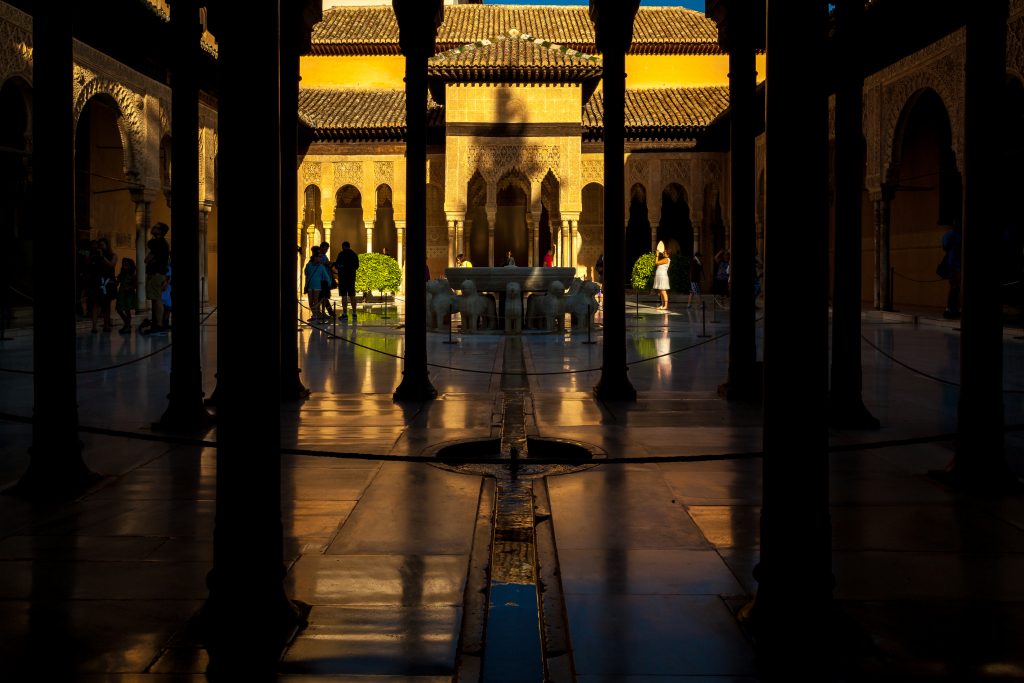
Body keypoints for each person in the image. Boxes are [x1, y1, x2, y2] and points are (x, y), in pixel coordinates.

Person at [144, 222, 171, 334]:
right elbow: (147, 259)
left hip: (157, 274)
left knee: (157, 299)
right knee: (155, 299)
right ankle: (157, 324)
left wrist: (151, 259)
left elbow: (148, 257)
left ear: (160, 231)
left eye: (156, 227)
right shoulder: (160, 244)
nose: (153, 228)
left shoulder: (158, 243)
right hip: (156, 274)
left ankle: (159, 325)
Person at [89, 237, 117, 332]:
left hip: (107, 282)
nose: (100, 247)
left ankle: (106, 325)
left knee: (106, 305)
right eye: (99, 245)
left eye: (102, 245)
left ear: (107, 245)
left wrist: (102, 257)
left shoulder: (112, 255)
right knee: (95, 303)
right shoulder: (94, 256)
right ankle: (94, 327)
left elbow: (111, 265)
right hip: (96, 281)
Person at [940, 221, 962, 318]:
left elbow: (944, 247)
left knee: (955, 287)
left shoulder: (949, 234)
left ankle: (952, 308)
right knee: (954, 287)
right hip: (954, 264)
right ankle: (950, 308)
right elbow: (946, 247)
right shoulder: (954, 234)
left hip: (954, 264)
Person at [335, 240, 360, 321]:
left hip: (343, 279)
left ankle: (345, 313)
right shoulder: (354, 254)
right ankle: (354, 313)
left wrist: (341, 267)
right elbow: (357, 266)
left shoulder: (341, 254)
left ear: (343, 246)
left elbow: (337, 265)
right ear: (349, 246)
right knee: (352, 296)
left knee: (344, 296)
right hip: (351, 278)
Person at [304, 246, 328, 322]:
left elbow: (325, 275)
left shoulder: (320, 266)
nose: (320, 258)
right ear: (315, 257)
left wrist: (328, 283)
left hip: (317, 285)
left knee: (316, 300)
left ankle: (315, 315)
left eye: (320, 257)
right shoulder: (309, 265)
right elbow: (306, 274)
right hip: (310, 285)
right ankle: (315, 314)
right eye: (319, 257)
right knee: (311, 301)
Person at [115, 257, 138, 334]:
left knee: (127, 310)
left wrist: (129, 287)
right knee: (119, 309)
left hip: (128, 295)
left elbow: (135, 285)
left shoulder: (133, 275)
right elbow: (117, 282)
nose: (125, 266)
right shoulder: (122, 274)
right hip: (121, 294)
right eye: (124, 264)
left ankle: (127, 326)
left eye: (127, 264)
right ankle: (127, 323)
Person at [319, 241, 336, 319]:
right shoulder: (320, 256)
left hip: (326, 280)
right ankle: (326, 312)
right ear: (321, 248)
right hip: (323, 280)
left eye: (327, 249)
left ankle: (328, 312)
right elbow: (323, 265)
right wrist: (329, 263)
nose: (326, 250)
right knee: (323, 297)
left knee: (324, 297)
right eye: (325, 248)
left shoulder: (324, 256)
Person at [653, 241, 671, 310]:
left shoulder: (666, 259)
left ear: (668, 254)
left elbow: (656, 262)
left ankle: (665, 306)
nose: (663, 253)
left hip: (663, 276)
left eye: (664, 253)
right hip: (660, 276)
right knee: (661, 291)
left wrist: (657, 255)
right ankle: (662, 305)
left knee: (663, 291)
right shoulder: (664, 259)